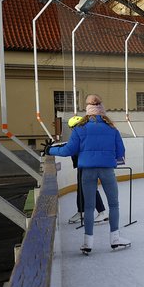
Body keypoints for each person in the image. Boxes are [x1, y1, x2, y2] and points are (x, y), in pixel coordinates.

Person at [46, 95, 130, 254]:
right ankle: (115, 239)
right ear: (102, 111)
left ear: (87, 111)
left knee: (89, 207)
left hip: (87, 171)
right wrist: (108, 156)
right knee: (113, 205)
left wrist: (50, 149)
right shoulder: (112, 129)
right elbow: (121, 152)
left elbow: (68, 150)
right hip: (107, 170)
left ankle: (87, 243)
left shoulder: (79, 129)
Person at [66, 115, 108, 225]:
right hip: (83, 165)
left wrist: (52, 150)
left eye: (72, 128)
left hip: (88, 165)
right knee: (81, 189)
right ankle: (82, 212)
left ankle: (102, 212)